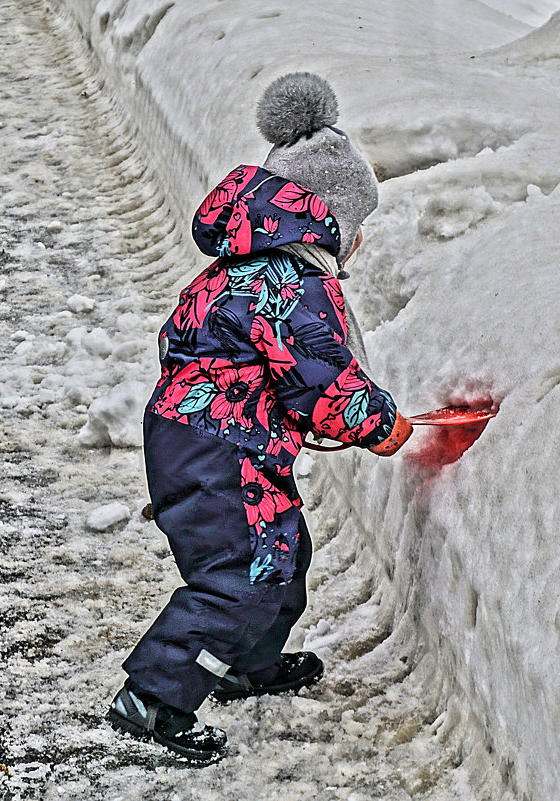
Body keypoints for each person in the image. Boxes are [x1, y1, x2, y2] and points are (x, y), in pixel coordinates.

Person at [107, 73, 413, 762]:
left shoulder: (238, 269)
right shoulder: (293, 284)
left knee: (280, 557)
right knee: (243, 573)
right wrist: (378, 420)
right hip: (219, 448)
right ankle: (153, 695)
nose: (354, 245)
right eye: (352, 228)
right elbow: (322, 380)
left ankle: (241, 663)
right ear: (324, 218)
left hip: (207, 437)